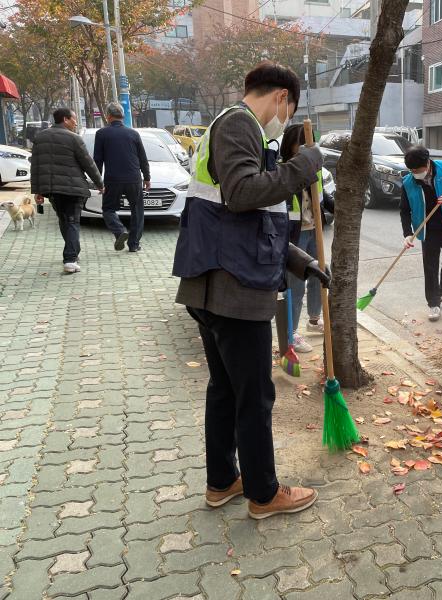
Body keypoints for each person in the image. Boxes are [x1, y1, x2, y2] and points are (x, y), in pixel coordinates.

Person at [172, 61, 329, 520]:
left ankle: (222, 482)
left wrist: (302, 261)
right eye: (290, 108)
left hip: (215, 282)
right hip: (234, 291)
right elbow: (244, 194)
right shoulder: (239, 125)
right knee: (255, 396)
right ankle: (264, 494)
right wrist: (303, 166)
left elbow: (248, 220)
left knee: (225, 389)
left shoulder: (238, 131)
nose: (285, 119)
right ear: (281, 97)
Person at [279, 123, 335, 352]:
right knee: (296, 284)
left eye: (308, 144)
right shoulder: (284, 170)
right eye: (300, 143)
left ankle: (314, 319)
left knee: (319, 275)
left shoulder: (316, 168)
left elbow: (322, 196)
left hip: (314, 230)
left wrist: (337, 207)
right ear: (291, 145)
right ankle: (290, 334)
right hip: (293, 235)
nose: (305, 148)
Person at [29, 108, 104, 274]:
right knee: (71, 221)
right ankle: (70, 259)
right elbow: (88, 164)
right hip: (73, 189)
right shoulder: (74, 138)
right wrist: (100, 183)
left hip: (52, 190)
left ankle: (73, 254)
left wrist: (38, 191)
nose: (76, 122)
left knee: (65, 220)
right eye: (74, 118)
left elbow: (36, 166)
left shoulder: (40, 138)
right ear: (65, 119)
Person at [400, 145, 442, 321]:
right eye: (412, 170)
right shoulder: (408, 182)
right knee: (430, 267)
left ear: (427, 162)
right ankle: (434, 303)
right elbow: (404, 210)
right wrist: (407, 233)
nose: (415, 173)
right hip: (427, 230)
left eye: (418, 169)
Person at [93, 102, 150, 253]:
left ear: (108, 116)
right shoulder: (133, 134)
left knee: (108, 209)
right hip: (134, 178)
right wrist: (147, 178)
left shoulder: (101, 134)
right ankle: (134, 244)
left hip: (113, 179)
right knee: (137, 210)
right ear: (123, 116)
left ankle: (119, 231)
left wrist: (98, 182)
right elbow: (143, 158)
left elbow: (97, 160)